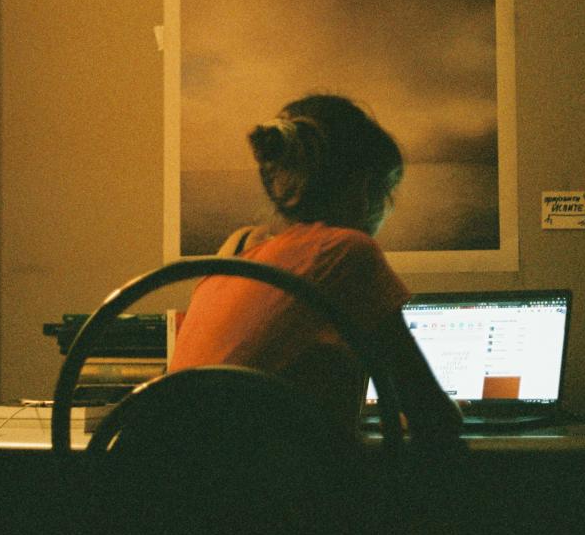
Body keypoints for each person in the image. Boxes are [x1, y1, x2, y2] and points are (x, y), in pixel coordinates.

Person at [169, 93, 462, 443]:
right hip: (265, 490)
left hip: (172, 479)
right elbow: (433, 415)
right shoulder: (347, 252)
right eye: (387, 193)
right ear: (364, 186)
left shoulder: (236, 253)